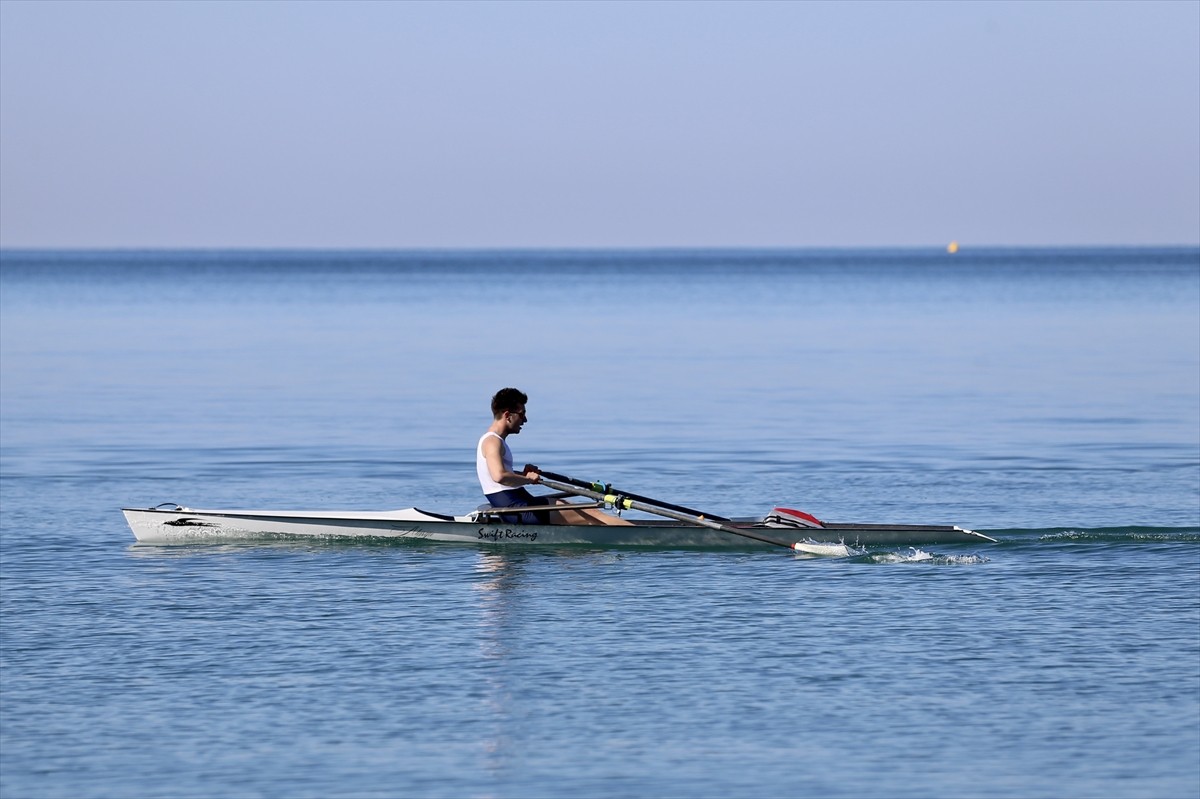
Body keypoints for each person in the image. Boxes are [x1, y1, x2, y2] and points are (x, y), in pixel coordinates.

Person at [477, 388, 631, 526]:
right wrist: (529, 479)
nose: (525, 420)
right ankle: (641, 534)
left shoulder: (493, 441)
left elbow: (499, 475)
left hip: (519, 503)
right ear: (507, 415)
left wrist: (522, 475)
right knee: (592, 514)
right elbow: (499, 476)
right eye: (522, 414)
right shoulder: (492, 442)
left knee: (584, 516)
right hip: (517, 510)